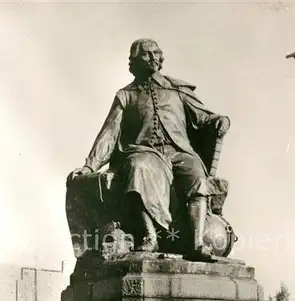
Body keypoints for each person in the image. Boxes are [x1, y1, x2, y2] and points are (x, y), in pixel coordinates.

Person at [68, 38, 230, 259]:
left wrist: (220, 120)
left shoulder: (178, 90)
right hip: (144, 151)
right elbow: (109, 133)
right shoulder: (125, 95)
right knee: (139, 167)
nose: (154, 58)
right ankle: (149, 237)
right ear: (135, 60)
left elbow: (204, 117)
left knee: (196, 175)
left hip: (179, 152)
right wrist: (89, 166)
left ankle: (196, 244)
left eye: (156, 53)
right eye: (147, 54)